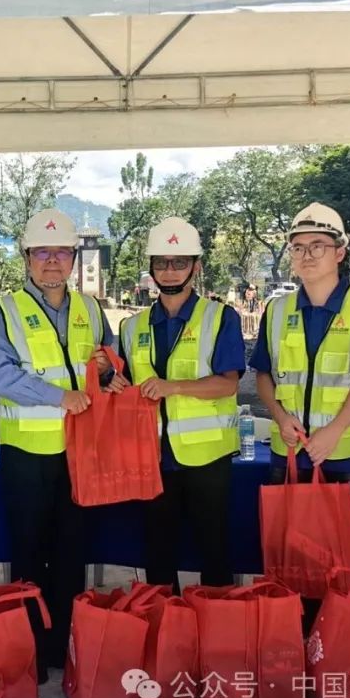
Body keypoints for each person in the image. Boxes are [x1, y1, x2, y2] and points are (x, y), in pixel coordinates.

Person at [0, 208, 116, 679]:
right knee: (27, 551)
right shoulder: (4, 310)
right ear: (27, 258)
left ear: (74, 259)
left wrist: (105, 370)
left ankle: (63, 647)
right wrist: (61, 396)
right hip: (26, 454)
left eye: (62, 252)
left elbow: (110, 363)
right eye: (43, 252)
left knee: (70, 550)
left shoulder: (91, 309)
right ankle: (28, 651)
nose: (53, 261)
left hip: (79, 452)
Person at [253, 203, 350, 603]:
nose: (307, 255)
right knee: (292, 560)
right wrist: (279, 417)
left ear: (340, 252)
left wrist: (334, 432)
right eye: (298, 247)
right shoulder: (278, 310)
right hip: (291, 455)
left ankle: (349, 648)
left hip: (348, 457)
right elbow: (263, 374)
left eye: (318, 245)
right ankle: (296, 643)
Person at [117, 217, 243, 590]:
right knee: (158, 555)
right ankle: (165, 634)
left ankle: (217, 635)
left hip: (208, 459)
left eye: (179, 263)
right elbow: (128, 386)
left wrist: (171, 387)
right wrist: (110, 374)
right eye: (161, 263)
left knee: (214, 554)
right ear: (152, 267)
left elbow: (228, 385)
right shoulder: (131, 327)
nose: (169, 272)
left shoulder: (220, 318)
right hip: (153, 459)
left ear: (196, 266)